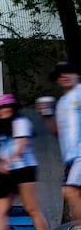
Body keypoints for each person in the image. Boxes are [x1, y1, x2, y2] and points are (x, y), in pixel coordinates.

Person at [0, 94, 51, 230]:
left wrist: (6, 162)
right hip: (7, 173)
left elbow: (21, 145)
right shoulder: (0, 130)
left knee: (32, 208)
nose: (3, 111)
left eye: (6, 107)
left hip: (24, 169)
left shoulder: (20, 122)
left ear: (13, 108)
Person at [36, 61, 81, 221]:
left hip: (79, 155)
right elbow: (59, 133)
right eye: (61, 75)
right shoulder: (62, 102)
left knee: (70, 191)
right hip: (70, 158)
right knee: (72, 193)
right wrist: (46, 117)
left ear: (78, 75)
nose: (65, 77)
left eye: (70, 72)